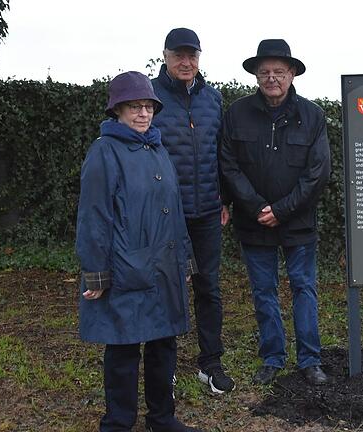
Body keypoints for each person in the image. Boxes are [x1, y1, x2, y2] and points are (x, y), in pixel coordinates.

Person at [76, 71, 201, 432]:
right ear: (118, 109)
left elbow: (175, 208)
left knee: (164, 343)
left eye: (148, 106)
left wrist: (186, 260)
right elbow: (93, 215)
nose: (143, 113)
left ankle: (162, 418)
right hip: (126, 267)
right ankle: (117, 422)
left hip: (163, 266)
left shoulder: (158, 149)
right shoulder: (104, 151)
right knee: (123, 348)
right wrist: (96, 271)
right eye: (134, 106)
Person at [220, 39, 331, 386]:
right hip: (253, 223)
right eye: (265, 72)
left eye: (279, 72)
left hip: (297, 222)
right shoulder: (236, 113)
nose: (272, 78)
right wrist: (255, 207)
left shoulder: (313, 116)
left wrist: (281, 210)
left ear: (292, 74)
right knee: (263, 291)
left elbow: (319, 171)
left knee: (304, 288)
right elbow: (228, 164)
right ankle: (272, 357)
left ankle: (310, 360)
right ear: (255, 74)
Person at [151, 28, 235, 394]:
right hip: (166, 214)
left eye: (193, 55)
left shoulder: (213, 99)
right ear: (165, 56)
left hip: (207, 213)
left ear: (200, 58)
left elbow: (224, 154)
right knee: (166, 287)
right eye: (178, 55)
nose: (186, 62)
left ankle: (210, 362)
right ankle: (163, 367)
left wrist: (226, 200)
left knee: (209, 287)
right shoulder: (149, 97)